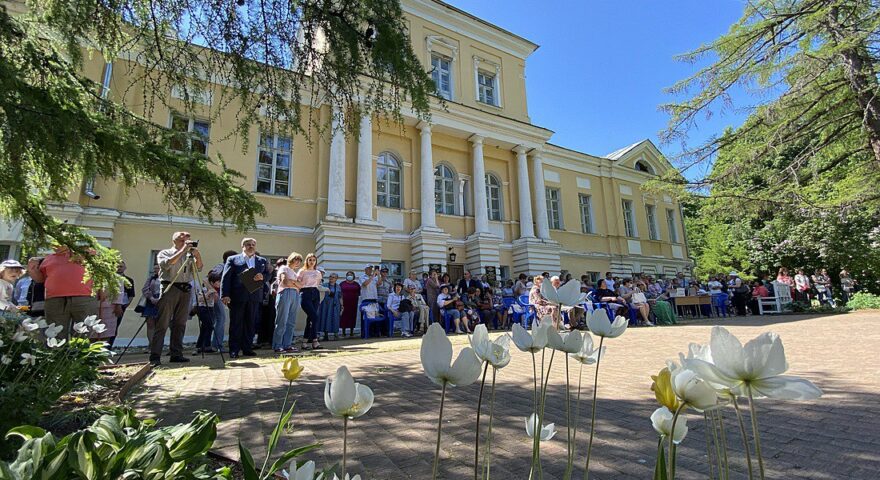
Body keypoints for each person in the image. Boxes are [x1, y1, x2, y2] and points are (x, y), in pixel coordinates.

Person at [147, 232, 203, 364]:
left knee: (180, 323)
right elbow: (167, 264)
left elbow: (199, 268)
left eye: (187, 240)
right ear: (175, 240)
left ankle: (176, 354)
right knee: (162, 323)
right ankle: (155, 356)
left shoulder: (189, 255)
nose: (185, 242)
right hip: (169, 287)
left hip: (185, 289)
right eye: (182, 240)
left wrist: (197, 255)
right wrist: (182, 251)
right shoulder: (165, 253)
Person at [26, 245, 98, 339]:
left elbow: (99, 258)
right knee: (55, 331)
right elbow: (41, 279)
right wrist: (32, 271)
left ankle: (79, 352)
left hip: (83, 297)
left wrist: (84, 251)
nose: (56, 245)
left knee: (84, 331)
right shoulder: (49, 258)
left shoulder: (83, 254)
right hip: (54, 299)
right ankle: (58, 352)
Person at [220, 237, 267, 359]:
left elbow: (269, 274)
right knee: (236, 323)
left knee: (250, 323)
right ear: (242, 246)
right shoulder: (233, 259)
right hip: (238, 296)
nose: (251, 246)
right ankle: (234, 350)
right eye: (248, 244)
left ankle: (247, 348)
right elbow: (226, 278)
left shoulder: (262, 260)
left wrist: (263, 277)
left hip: (254, 296)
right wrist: (225, 295)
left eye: (253, 244)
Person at [273, 252, 302, 353]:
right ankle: (277, 345)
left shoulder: (294, 272)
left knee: (291, 321)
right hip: (285, 293)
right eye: (296, 259)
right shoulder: (283, 268)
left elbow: (300, 285)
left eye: (299, 261)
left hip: (295, 295)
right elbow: (285, 282)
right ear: (291, 259)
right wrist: (295, 283)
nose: (297, 262)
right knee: (282, 320)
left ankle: (287, 344)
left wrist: (293, 283)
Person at [207, 250, 236, 352]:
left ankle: (214, 344)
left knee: (218, 319)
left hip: (221, 296)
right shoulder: (221, 266)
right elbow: (208, 278)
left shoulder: (229, 267)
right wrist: (213, 292)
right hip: (217, 296)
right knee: (221, 319)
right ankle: (217, 345)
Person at [297, 253, 324, 350]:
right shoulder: (302, 271)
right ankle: (315, 340)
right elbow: (298, 283)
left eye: (313, 260)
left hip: (315, 293)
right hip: (305, 293)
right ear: (307, 261)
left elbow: (318, 284)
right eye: (310, 260)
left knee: (310, 319)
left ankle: (304, 342)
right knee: (315, 317)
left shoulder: (318, 272)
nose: (312, 262)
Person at [110, 261, 136, 348]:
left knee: (115, 327)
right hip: (108, 306)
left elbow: (131, 295)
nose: (119, 268)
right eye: (117, 266)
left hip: (121, 306)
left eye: (121, 266)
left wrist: (124, 306)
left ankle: (109, 346)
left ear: (125, 268)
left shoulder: (129, 280)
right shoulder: (109, 278)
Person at [140, 264, 161, 351]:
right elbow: (145, 289)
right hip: (151, 301)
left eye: (158, 268)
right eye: (155, 268)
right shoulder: (151, 278)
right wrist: (151, 297)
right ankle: (151, 344)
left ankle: (158, 345)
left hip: (162, 301)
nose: (156, 270)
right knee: (150, 323)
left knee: (160, 324)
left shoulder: (167, 278)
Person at [193, 279, 217, 353]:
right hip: (203, 309)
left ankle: (200, 346)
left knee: (205, 327)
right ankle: (206, 345)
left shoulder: (213, 290)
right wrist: (207, 295)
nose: (219, 283)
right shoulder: (204, 289)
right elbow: (199, 299)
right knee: (209, 326)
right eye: (218, 281)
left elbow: (215, 299)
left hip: (210, 309)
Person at [319, 273, 342, 341]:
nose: (331, 278)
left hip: (335, 305)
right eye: (330, 276)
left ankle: (336, 334)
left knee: (335, 318)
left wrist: (342, 306)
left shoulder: (338, 286)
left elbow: (340, 296)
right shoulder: (324, 285)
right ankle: (325, 335)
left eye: (333, 277)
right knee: (325, 318)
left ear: (336, 279)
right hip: (325, 305)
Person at [339, 271, 361, 337]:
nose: (349, 276)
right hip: (344, 302)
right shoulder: (342, 284)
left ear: (353, 276)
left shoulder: (356, 284)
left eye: (351, 275)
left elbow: (359, 292)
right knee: (344, 317)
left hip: (353, 303)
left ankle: (351, 332)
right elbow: (339, 293)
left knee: (352, 316)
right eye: (348, 275)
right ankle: (343, 332)